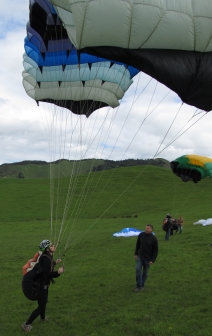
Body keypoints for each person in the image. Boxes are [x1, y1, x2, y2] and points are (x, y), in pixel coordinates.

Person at [22, 240, 64, 332]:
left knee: (44, 302)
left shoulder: (47, 256)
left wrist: (55, 263)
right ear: (48, 249)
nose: (54, 246)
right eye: (52, 245)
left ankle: (43, 318)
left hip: (42, 283)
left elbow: (45, 267)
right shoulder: (46, 258)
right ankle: (27, 324)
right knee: (41, 306)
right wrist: (58, 272)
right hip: (40, 285)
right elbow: (47, 273)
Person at [134, 224, 158, 292]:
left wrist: (152, 260)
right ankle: (139, 286)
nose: (146, 229)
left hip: (148, 259)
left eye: (147, 228)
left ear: (151, 229)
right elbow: (138, 244)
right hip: (140, 256)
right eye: (145, 228)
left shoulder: (154, 239)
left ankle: (141, 284)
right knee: (138, 270)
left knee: (145, 273)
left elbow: (155, 251)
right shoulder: (141, 235)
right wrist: (136, 253)